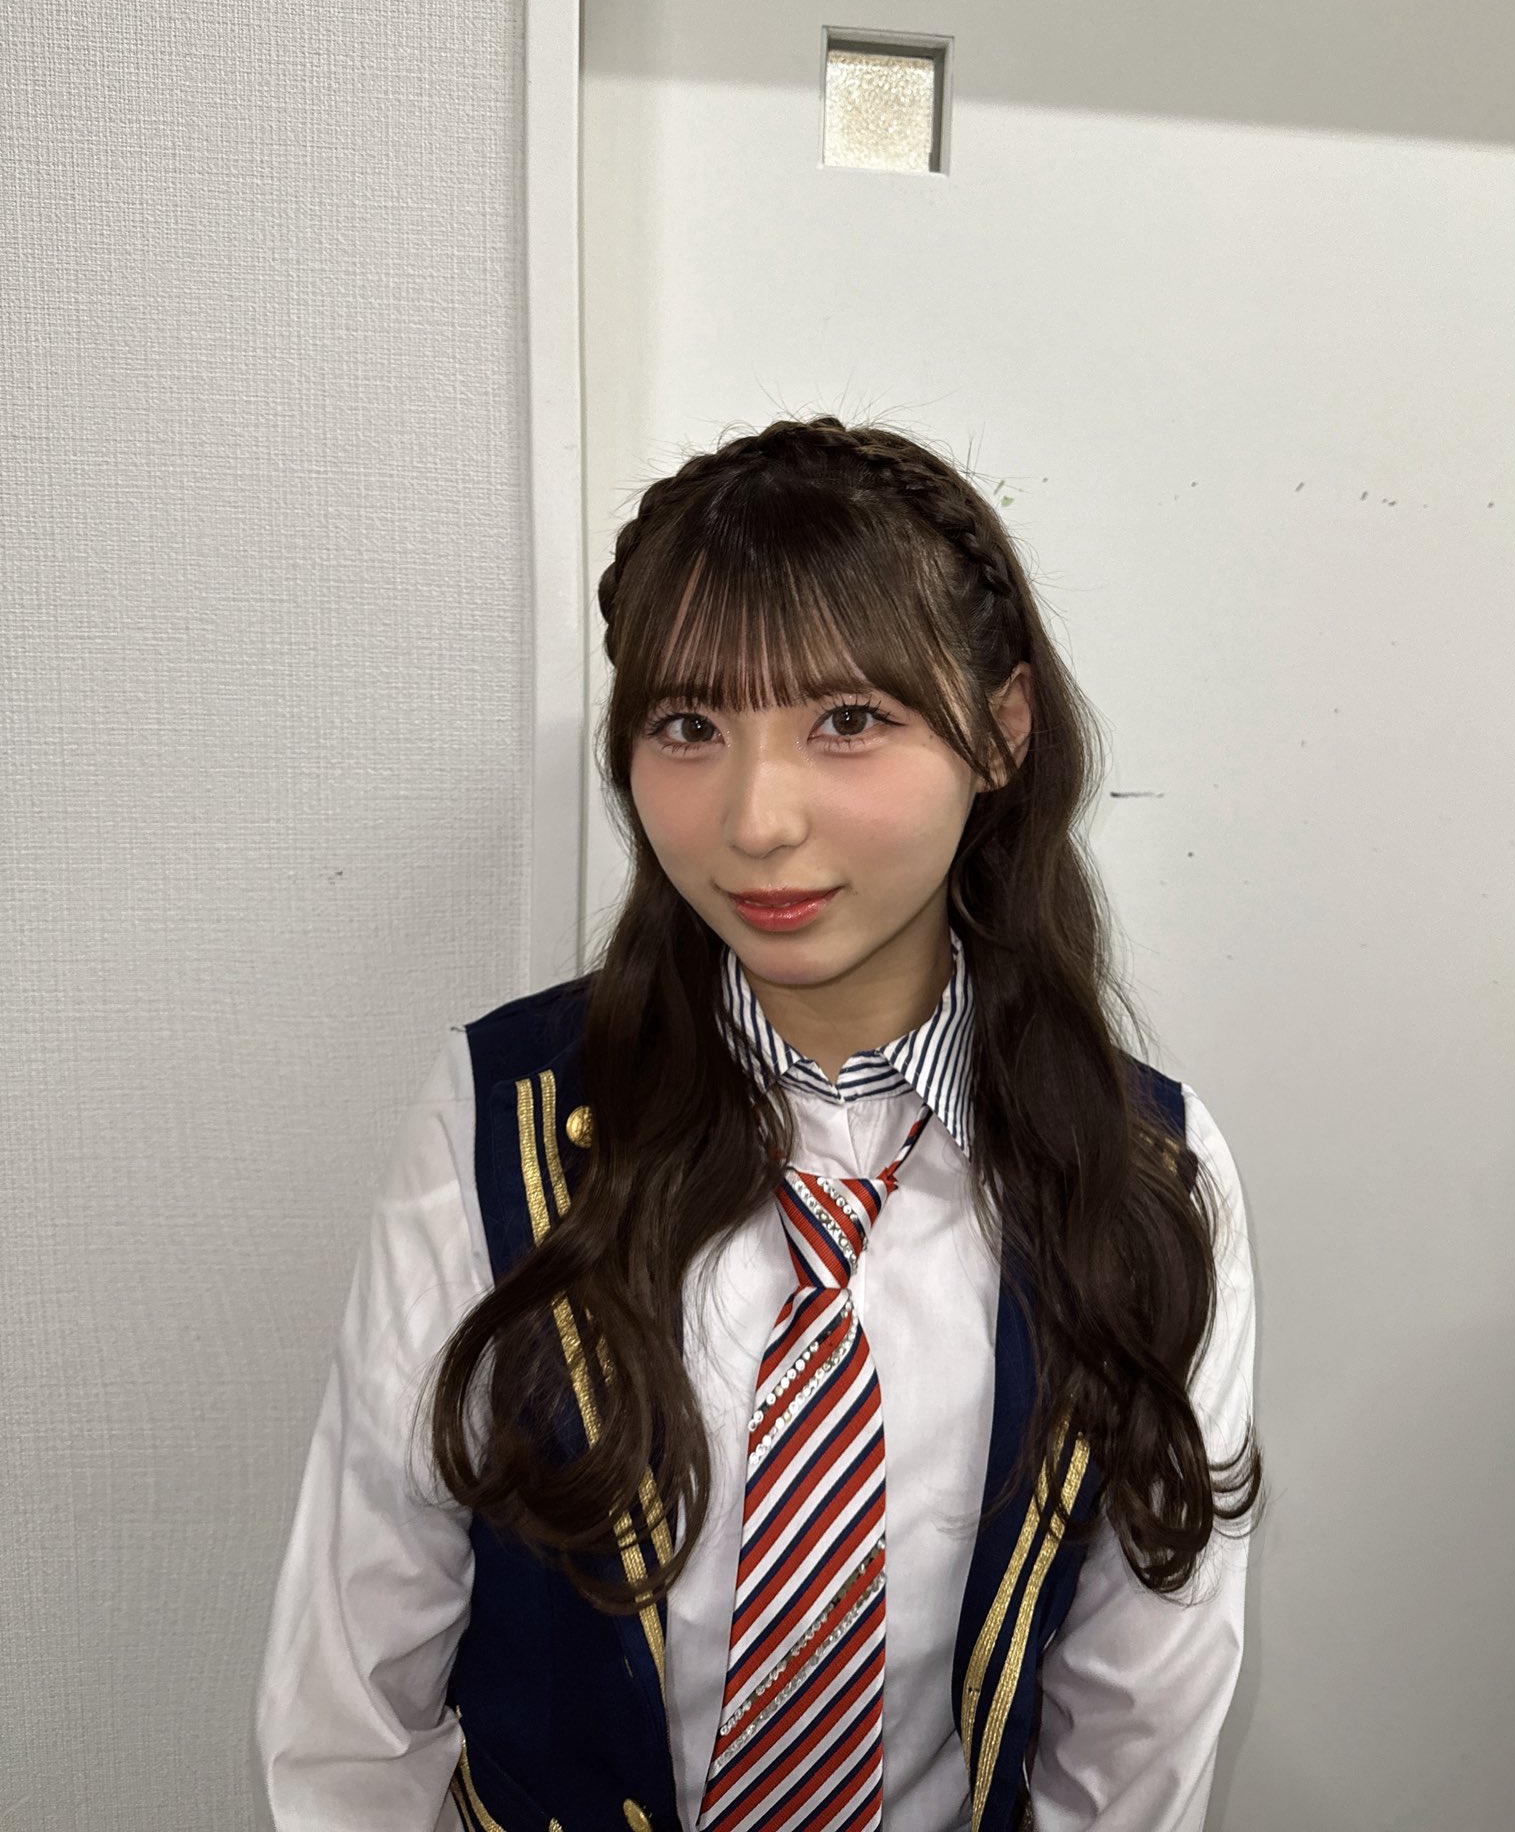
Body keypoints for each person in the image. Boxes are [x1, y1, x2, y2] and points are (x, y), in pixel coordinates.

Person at [254, 414, 1262, 1832]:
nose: (756, 819)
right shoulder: (504, 1116)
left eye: (848, 720)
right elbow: (356, 1683)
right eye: (690, 726)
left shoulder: (1149, 1173)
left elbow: (1137, 1723)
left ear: (1002, 729)